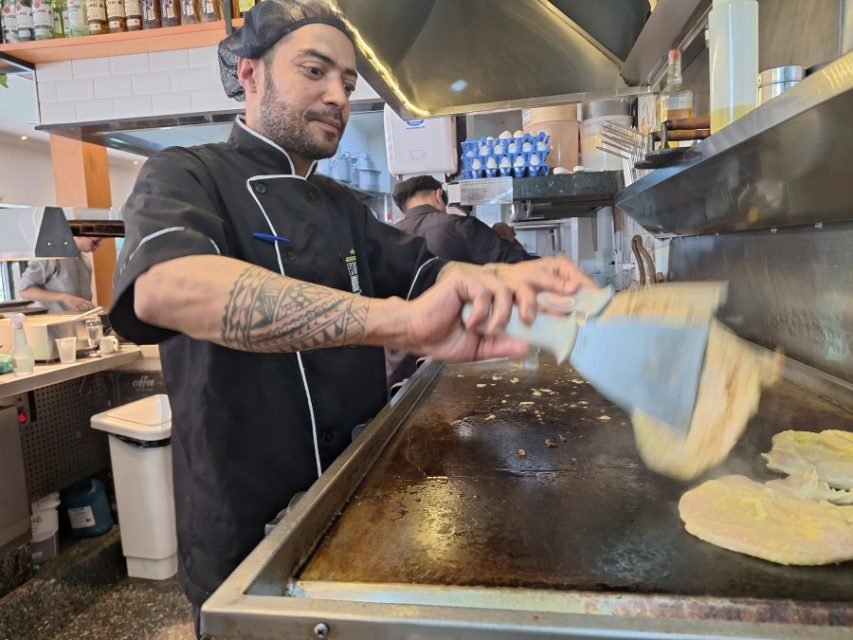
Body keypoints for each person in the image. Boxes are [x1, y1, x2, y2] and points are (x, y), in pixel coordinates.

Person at [107, 1, 593, 635]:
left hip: (352, 513)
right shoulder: (186, 175)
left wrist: (504, 278)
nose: (337, 94)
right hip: (245, 535)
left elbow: (428, 270)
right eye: (315, 70)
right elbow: (166, 288)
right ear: (250, 73)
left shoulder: (342, 207)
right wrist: (398, 322)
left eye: (348, 81)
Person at [393, 175, 534, 263]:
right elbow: (519, 264)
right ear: (438, 195)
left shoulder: (390, 235)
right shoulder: (460, 226)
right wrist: (509, 240)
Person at [18, 237, 101, 312]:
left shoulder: (85, 262)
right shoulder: (50, 258)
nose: (98, 247)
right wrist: (64, 297)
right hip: (55, 326)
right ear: (79, 236)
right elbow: (24, 291)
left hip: (81, 325)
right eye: (95, 242)